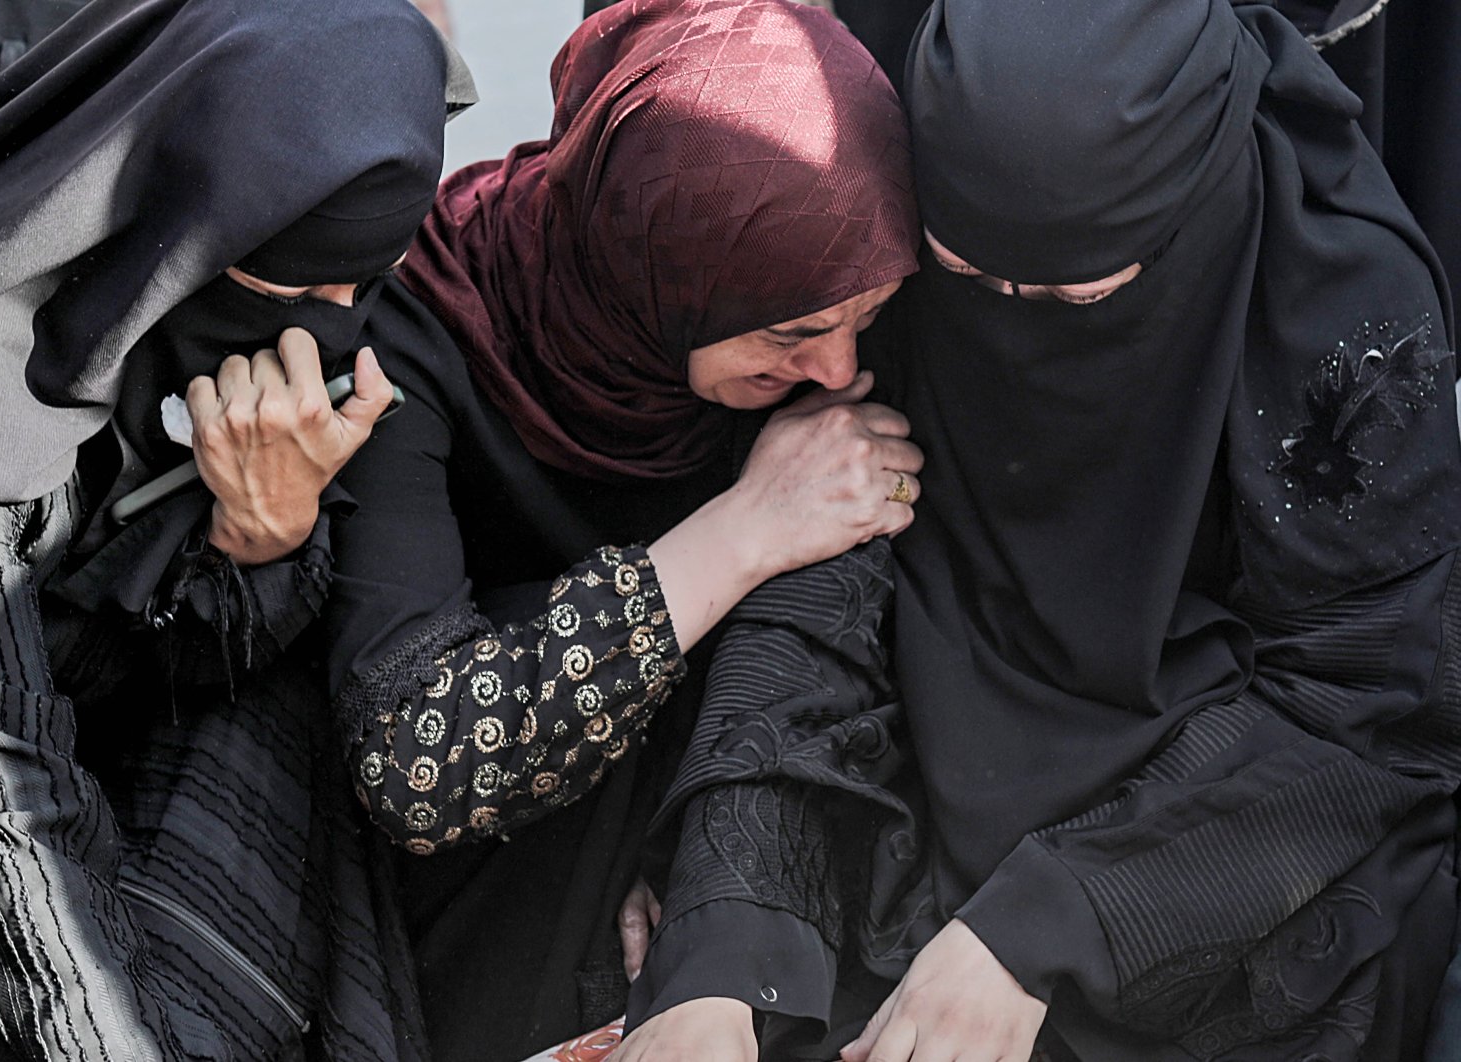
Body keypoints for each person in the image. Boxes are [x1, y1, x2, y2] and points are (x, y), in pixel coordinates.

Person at [616, 0, 1461, 1059]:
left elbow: (1367, 702)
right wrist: (725, 949)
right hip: (914, 780)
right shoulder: (904, 208)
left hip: (1228, 832)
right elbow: (826, 559)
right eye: (970, 276)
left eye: (1076, 290)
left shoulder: (1341, 309)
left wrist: (1046, 926)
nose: (1011, 313)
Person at [179, 1, 920, 1056]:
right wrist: (744, 530)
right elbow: (415, 760)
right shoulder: (419, 331)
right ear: (659, 265)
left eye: (868, 318)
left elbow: (826, 642)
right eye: (793, 330)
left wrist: (699, 889)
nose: (838, 372)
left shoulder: (803, 330)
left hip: (674, 889)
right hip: (449, 930)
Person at [0, 0, 472, 1056]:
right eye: (290, 275)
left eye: (358, 286)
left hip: (103, 760)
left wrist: (261, 535)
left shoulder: (247, 335)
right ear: (183, 218)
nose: (323, 325)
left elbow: (193, 672)